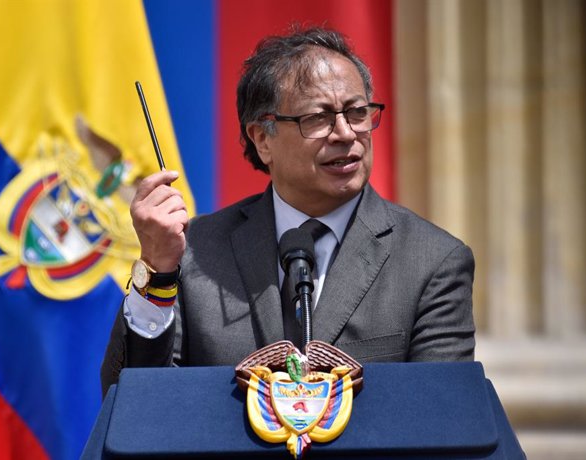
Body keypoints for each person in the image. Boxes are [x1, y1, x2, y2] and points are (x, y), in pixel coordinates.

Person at [101, 26, 475, 395]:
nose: (345, 133)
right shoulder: (195, 252)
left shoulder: (433, 261)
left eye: (357, 112)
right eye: (318, 118)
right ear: (263, 139)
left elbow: (443, 416)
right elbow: (132, 405)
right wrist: (158, 272)